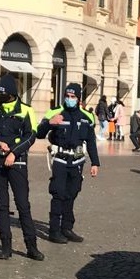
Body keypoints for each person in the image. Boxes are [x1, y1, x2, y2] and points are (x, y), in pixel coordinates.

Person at [0, 74, 43, 261]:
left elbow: (31, 136)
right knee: (2, 205)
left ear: (13, 94)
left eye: (4, 94)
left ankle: (31, 247)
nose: (1, 98)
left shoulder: (26, 110)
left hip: (17, 162)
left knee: (23, 205)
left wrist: (14, 153)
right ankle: (6, 247)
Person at [37, 83, 100, 244]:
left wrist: (95, 163)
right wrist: (50, 123)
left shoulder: (86, 117)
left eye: (73, 97)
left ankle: (67, 228)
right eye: (67, 96)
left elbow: (91, 141)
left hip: (77, 160)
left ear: (78, 99)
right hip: (60, 159)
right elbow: (39, 133)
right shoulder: (55, 112)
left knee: (72, 193)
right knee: (58, 193)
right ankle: (54, 230)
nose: (69, 99)